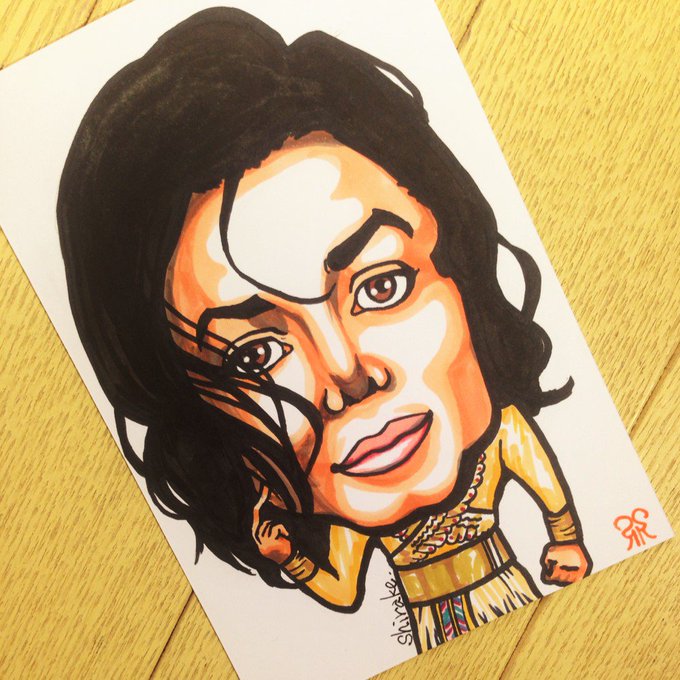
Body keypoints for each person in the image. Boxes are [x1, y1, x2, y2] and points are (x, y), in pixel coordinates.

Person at [57, 7, 591, 652]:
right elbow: (341, 590)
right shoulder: (341, 521)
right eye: (256, 355)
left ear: (463, 274)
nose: (348, 376)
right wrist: (289, 553)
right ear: (199, 417)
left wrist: (566, 541)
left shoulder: (506, 440)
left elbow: (556, 505)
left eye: (381, 287)